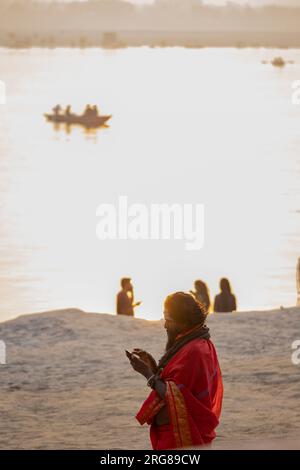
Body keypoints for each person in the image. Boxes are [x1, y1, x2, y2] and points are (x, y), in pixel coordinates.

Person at [126, 292, 223, 449]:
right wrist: (153, 367)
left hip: (181, 437)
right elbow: (178, 383)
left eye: (168, 321)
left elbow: (177, 396)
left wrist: (148, 374)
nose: (165, 325)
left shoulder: (195, 350)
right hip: (171, 435)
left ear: (183, 323)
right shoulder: (189, 343)